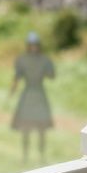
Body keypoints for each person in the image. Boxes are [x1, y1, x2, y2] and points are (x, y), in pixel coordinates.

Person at [9, 31, 55, 163]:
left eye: (35, 45)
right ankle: (25, 156)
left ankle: (42, 156)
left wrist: (44, 70)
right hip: (28, 94)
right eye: (31, 45)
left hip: (39, 94)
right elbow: (17, 77)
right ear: (28, 46)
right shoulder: (22, 59)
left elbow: (51, 75)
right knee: (25, 126)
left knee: (41, 127)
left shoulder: (44, 59)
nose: (34, 47)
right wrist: (12, 91)